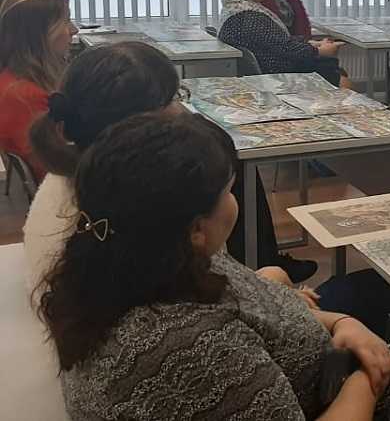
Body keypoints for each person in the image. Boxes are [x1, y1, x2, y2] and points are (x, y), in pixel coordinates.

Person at [36, 112, 390, 420]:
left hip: (322, 345)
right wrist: (367, 376)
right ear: (196, 227)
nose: (233, 200)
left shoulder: (126, 264)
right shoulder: (191, 350)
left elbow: (244, 303)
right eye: (228, 191)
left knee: (376, 288)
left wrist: (341, 322)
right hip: (337, 387)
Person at [24, 41, 318, 285]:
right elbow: (198, 296)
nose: (183, 109)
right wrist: (269, 287)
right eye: (174, 98)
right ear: (142, 122)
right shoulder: (137, 207)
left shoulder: (84, 175)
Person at [218, 0, 346, 86]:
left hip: (276, 75)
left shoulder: (235, 9)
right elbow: (287, 48)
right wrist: (321, 51)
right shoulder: (249, 17)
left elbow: (278, 42)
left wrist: (312, 44)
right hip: (280, 79)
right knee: (346, 85)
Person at [0, 0, 77, 184]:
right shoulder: (25, 95)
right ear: (40, 33)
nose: (74, 29)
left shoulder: (18, 79)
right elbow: (54, 170)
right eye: (66, 20)